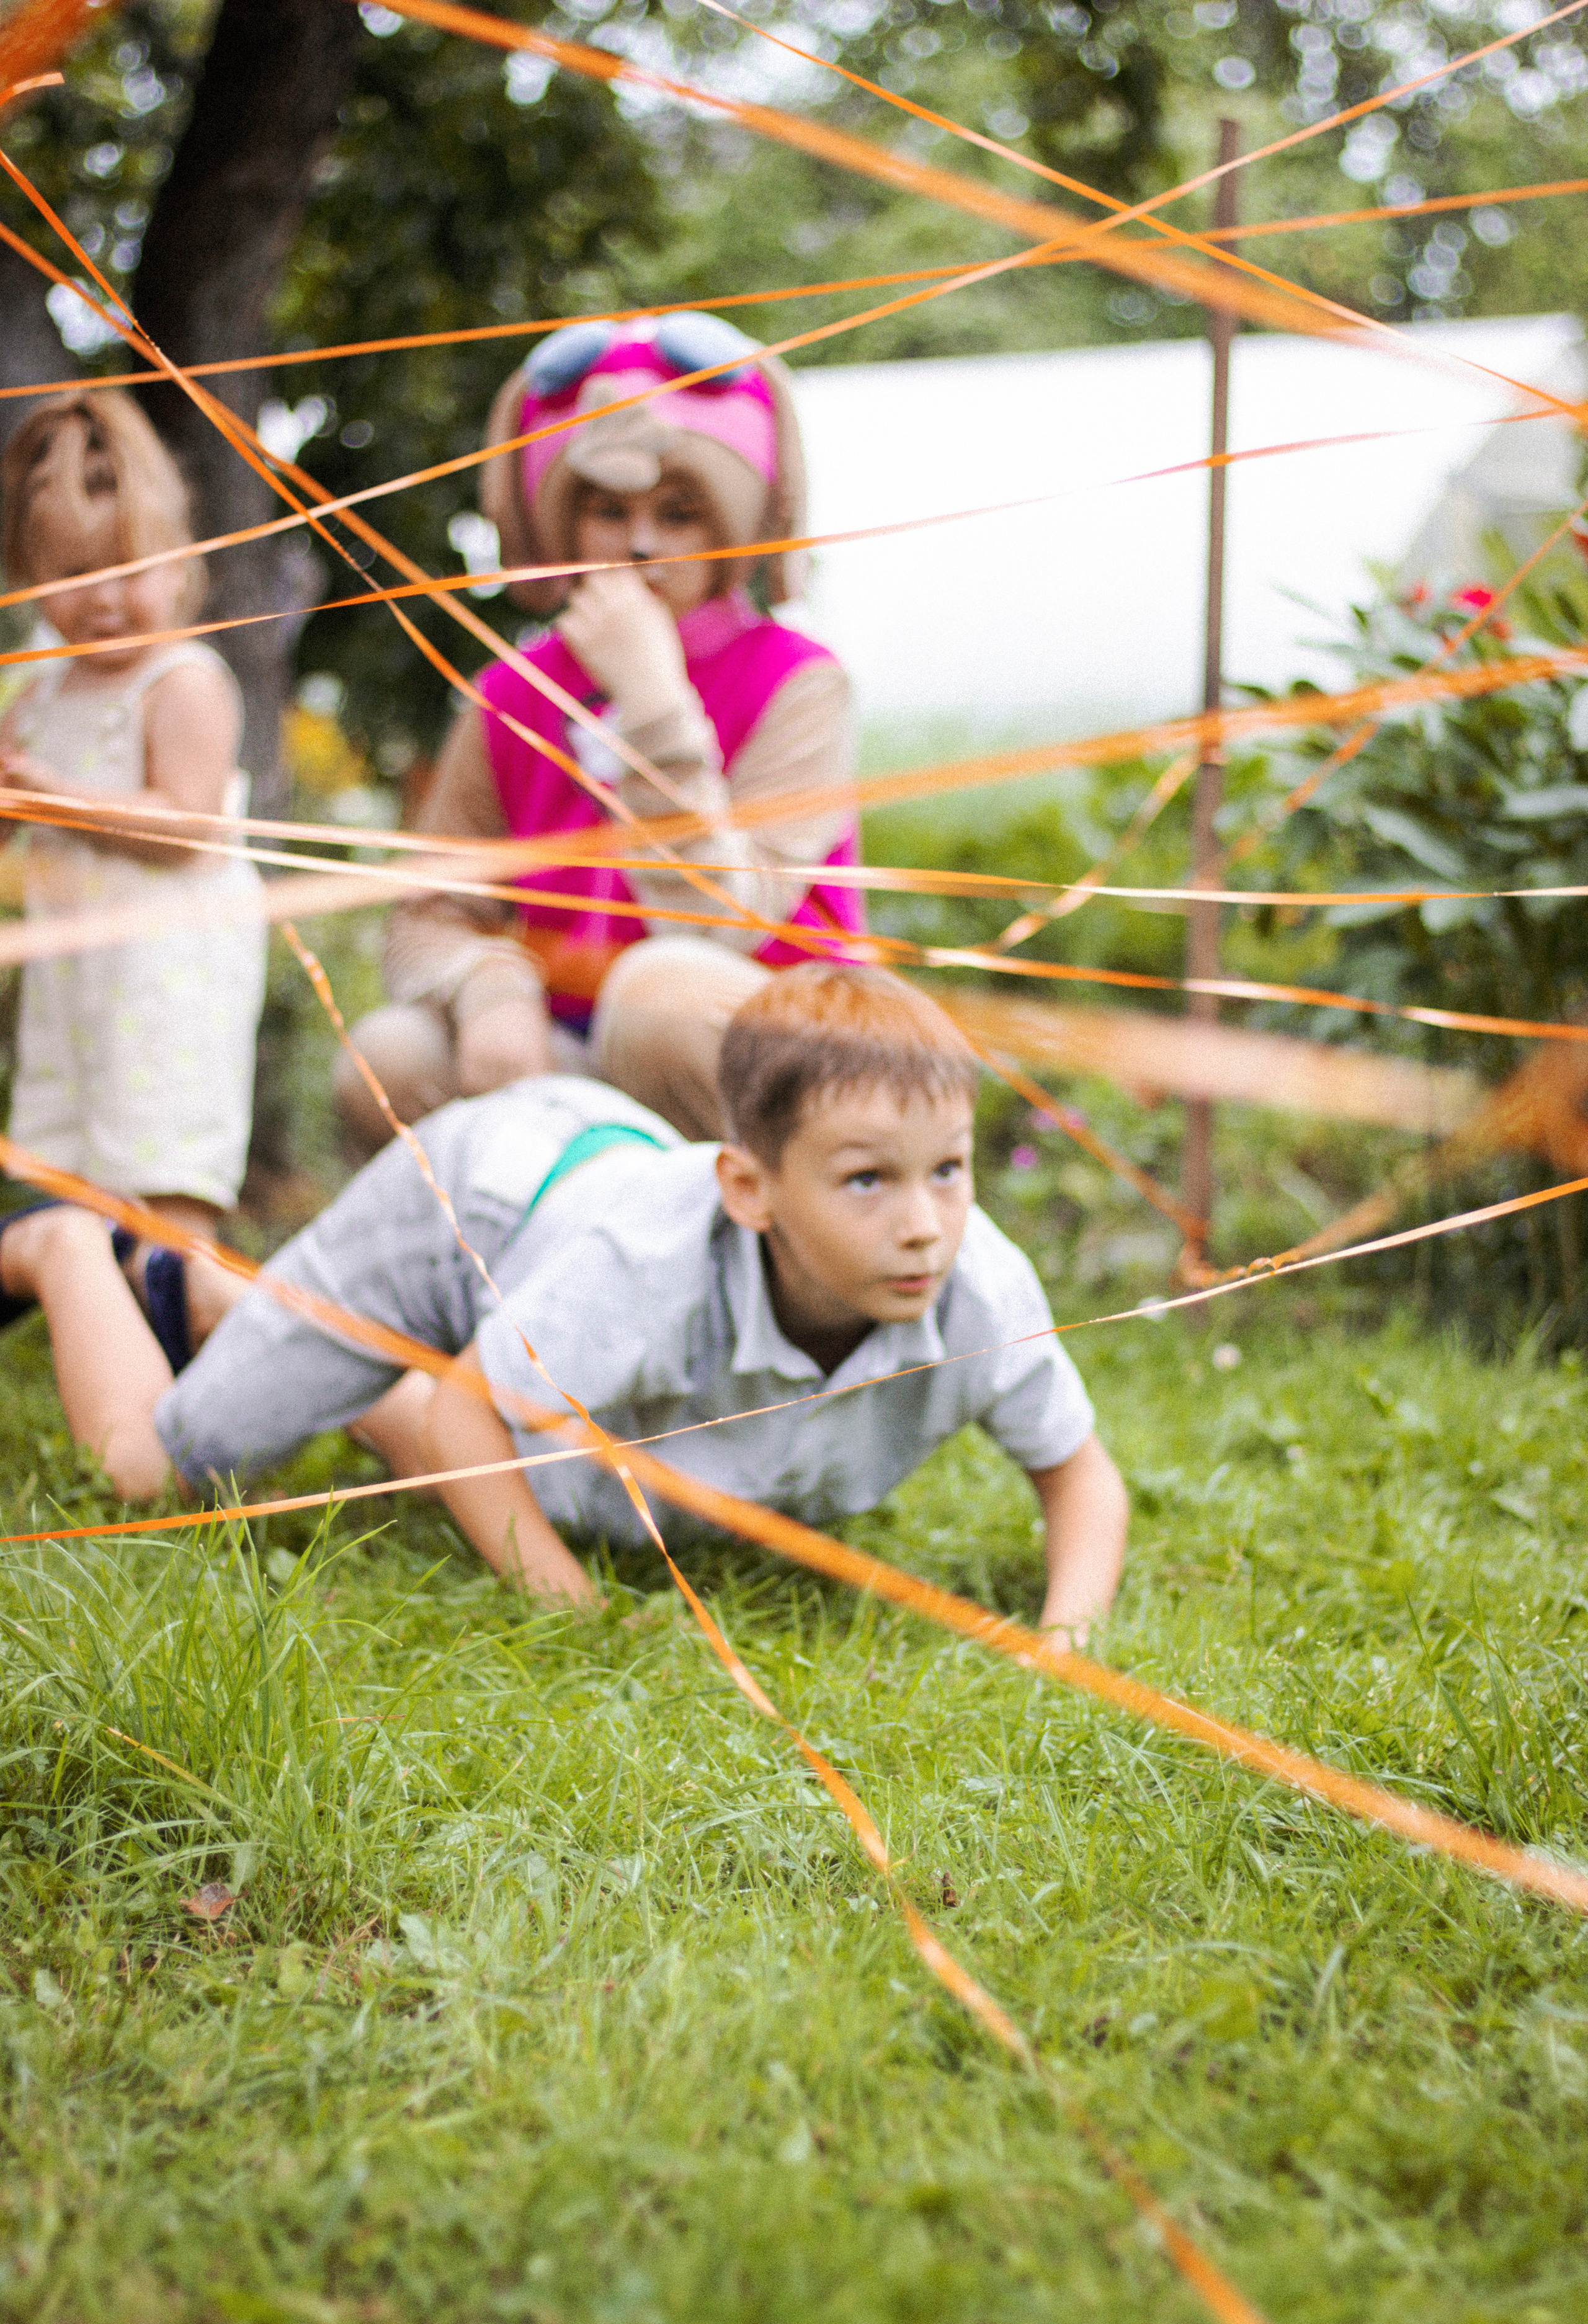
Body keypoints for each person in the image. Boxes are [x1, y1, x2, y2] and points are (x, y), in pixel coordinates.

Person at [1, 968, 1127, 1643]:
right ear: (750, 1189)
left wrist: (1064, 1641)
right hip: (472, 1204)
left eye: (949, 1169)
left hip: (583, 1206)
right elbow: (469, 1415)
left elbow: (1081, 1475)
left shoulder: (976, 1284)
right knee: (155, 1475)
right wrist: (567, 1603)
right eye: (869, 1180)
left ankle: (256, 1312)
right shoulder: (644, 1270)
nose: (926, 1223)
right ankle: (66, 1246)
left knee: (521, 1426)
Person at [336, 311, 863, 1152]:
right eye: (610, 512)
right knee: (389, 1058)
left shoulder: (799, 683)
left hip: (762, 1047)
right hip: (573, 1045)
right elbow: (428, 914)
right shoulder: (514, 693)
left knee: (660, 998)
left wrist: (652, 701)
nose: (642, 544)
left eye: (679, 515)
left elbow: (724, 923)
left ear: (731, 525)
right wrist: (490, 984)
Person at [0, 391, 265, 1243]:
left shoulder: (182, 682)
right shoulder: (37, 697)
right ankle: (91, 1301)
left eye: (129, 568)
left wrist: (55, 795)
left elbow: (189, 828)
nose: (104, 598)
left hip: (166, 989)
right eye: (74, 573)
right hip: (74, 987)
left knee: (163, 1190)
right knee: (73, 1189)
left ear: (181, 563)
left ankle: (178, 1296)